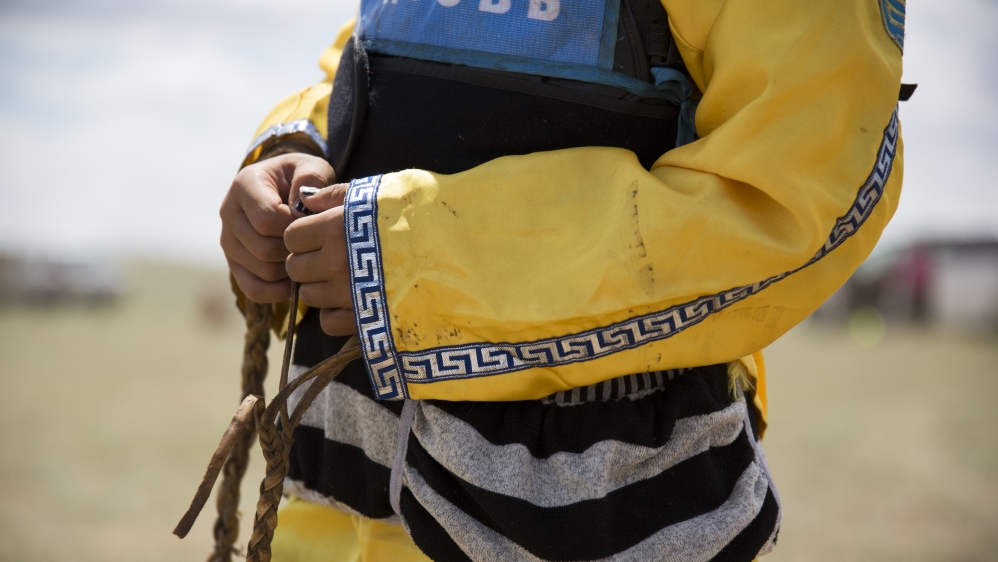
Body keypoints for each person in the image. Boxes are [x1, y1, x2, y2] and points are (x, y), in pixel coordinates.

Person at [219, 0, 906, 559]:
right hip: (331, 499)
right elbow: (371, 55)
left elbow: (800, 194)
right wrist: (298, 144)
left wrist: (410, 259)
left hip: (585, 512)